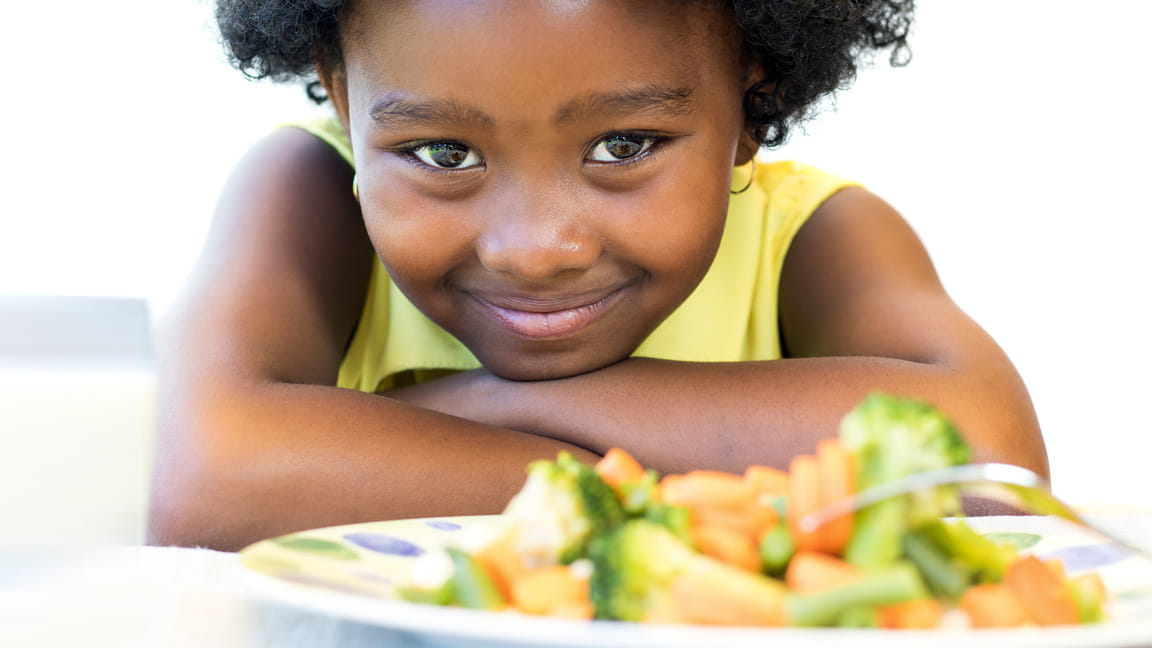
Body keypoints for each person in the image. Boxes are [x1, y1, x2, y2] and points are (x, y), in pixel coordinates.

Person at [149, 0, 1047, 551]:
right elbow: (204, 479)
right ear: (343, 97)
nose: (535, 249)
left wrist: (469, 409)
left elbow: (990, 462)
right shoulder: (308, 191)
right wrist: (715, 488)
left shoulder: (812, 233)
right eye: (442, 152)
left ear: (752, 99)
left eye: (624, 147)